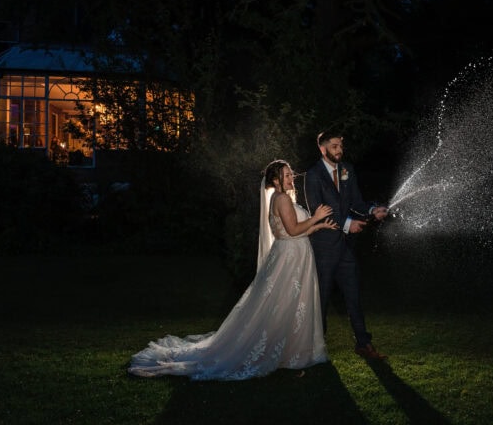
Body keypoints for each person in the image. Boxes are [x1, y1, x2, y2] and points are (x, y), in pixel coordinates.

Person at [128, 160, 338, 380]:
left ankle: (289, 352)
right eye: (286, 175)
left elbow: (294, 232)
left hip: (294, 255)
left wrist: (318, 225)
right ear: (276, 180)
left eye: (290, 174)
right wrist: (315, 217)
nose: (290, 178)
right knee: (284, 305)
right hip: (290, 259)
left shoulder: (281, 198)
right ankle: (284, 354)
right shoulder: (282, 198)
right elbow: (293, 230)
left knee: (289, 305)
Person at [304, 130, 389, 360]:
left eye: (341, 145)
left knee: (354, 296)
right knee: (320, 299)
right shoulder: (313, 175)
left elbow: (356, 202)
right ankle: (316, 348)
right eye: (334, 146)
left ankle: (364, 343)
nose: (339, 150)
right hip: (323, 248)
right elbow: (317, 213)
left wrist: (372, 210)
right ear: (322, 148)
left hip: (346, 249)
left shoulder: (347, 170)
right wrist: (347, 224)